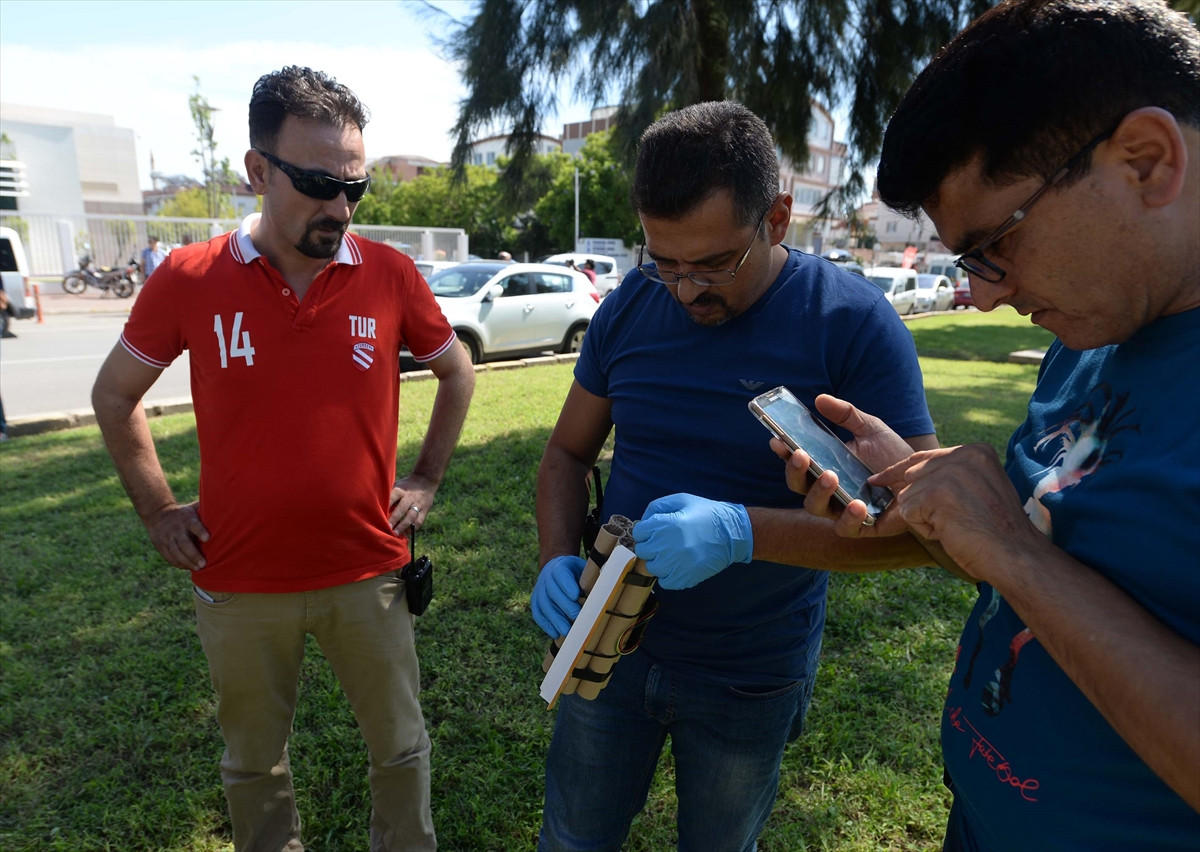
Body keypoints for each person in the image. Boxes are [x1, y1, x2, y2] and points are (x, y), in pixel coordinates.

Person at [781, 2, 1200, 848]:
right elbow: (1042, 562)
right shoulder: (1091, 330)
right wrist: (932, 504)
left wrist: (1010, 546)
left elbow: (1025, 558)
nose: (979, 295)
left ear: (1147, 161)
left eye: (995, 244)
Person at [531, 100, 943, 851]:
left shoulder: (851, 322)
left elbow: (918, 531)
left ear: (776, 219)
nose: (686, 291)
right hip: (609, 640)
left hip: (750, 671)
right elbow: (565, 455)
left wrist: (740, 532)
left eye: (715, 264)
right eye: (665, 262)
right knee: (571, 838)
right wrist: (555, 558)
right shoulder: (629, 307)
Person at [91, 66, 475, 851]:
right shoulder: (189, 278)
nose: (340, 207)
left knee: (401, 750)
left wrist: (426, 477)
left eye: (355, 187)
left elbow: (456, 371)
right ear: (258, 171)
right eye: (318, 184)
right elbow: (114, 394)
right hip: (240, 576)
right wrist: (158, 510)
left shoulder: (390, 275)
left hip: (368, 569)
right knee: (254, 765)